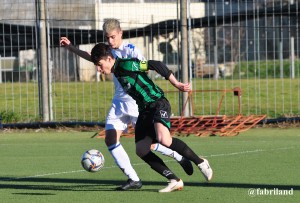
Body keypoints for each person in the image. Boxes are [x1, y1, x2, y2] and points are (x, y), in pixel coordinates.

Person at [60, 18, 193, 191]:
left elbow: (146, 69)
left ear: (120, 33)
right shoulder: (107, 52)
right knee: (110, 138)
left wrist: (173, 83)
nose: (110, 41)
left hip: (136, 102)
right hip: (118, 103)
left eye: (113, 37)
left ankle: (178, 156)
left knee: (149, 144)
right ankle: (133, 179)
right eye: (107, 37)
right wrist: (71, 48)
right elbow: (92, 57)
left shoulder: (131, 51)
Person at [90, 42, 213, 193]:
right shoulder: (116, 71)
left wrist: (177, 84)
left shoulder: (127, 65)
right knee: (141, 150)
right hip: (144, 111)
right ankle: (174, 180)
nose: (98, 68)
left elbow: (155, 64)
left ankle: (200, 162)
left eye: (99, 64)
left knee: (164, 139)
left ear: (109, 59)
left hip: (157, 103)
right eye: (96, 65)